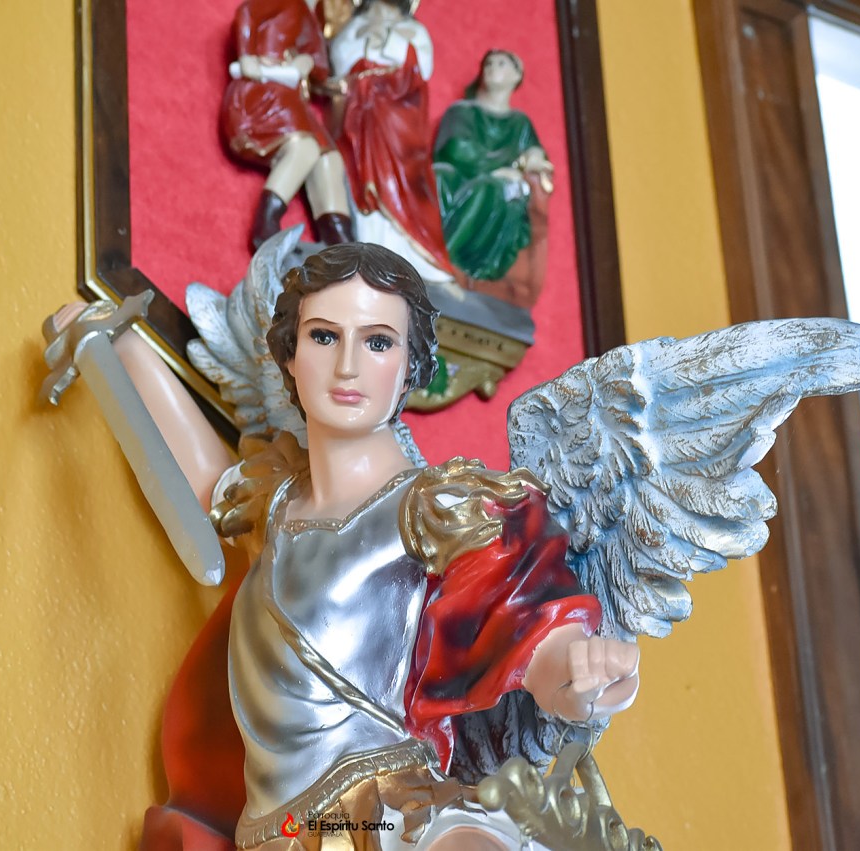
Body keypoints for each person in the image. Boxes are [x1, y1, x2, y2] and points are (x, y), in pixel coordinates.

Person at [53, 243, 639, 849]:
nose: (348, 366)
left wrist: (584, 669)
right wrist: (119, 343)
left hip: (391, 811)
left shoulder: (436, 508)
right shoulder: (274, 500)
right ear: (290, 355)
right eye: (324, 336)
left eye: (378, 342)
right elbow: (203, 483)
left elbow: (527, 628)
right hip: (278, 831)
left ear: (411, 365)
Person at [327, 1, 457, 285]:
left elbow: (424, 67)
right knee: (359, 172)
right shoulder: (356, 25)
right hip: (360, 112)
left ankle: (410, 252)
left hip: (399, 111)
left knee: (403, 178)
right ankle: (370, 243)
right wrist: (366, 39)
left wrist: (388, 39)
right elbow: (339, 60)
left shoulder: (413, 29)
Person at [222, 0, 354, 248]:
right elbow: (246, 14)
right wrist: (247, 55)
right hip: (263, 93)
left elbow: (319, 65)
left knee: (329, 159)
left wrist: (307, 62)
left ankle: (340, 241)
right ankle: (266, 224)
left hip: (292, 100)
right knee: (304, 148)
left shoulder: (310, 14)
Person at [433, 50, 555, 283]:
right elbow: (455, 148)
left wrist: (530, 159)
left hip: (496, 187)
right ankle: (429, 252)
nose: (491, 68)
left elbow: (534, 154)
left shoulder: (520, 123)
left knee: (487, 188)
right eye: (488, 64)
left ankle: (446, 261)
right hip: (462, 175)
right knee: (439, 175)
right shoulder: (462, 111)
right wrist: (500, 168)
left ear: (517, 75)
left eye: (501, 64)